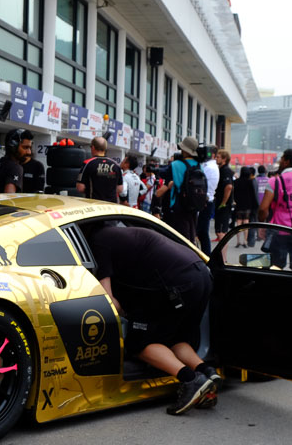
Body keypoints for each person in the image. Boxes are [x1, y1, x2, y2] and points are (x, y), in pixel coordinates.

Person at [87, 224, 219, 414]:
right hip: (201, 276)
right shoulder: (122, 232)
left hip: (175, 285)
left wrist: (125, 315)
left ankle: (190, 380)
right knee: (175, 339)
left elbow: (109, 300)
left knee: (138, 344)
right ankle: (207, 373)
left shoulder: (99, 241)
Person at [155, 137, 202, 243]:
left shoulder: (176, 165)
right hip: (194, 206)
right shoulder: (199, 165)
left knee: (180, 239)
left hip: (178, 206)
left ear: (184, 150)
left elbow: (162, 173)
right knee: (191, 236)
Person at [76, 136, 123, 203]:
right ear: (105, 148)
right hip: (111, 205)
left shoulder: (88, 163)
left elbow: (80, 188)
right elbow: (120, 189)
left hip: (94, 204)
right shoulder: (116, 165)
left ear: (93, 147)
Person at [0, 128, 33, 194]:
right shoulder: (15, 168)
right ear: (13, 147)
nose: (29, 152)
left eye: (30, 148)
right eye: (25, 147)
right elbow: (9, 198)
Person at [196, 145, 219, 256]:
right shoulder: (209, 166)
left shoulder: (209, 167)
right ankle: (206, 255)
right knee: (202, 232)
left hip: (205, 201)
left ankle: (206, 255)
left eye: (207, 152)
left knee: (202, 232)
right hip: (207, 201)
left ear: (213, 155)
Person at [213, 149, 234, 244]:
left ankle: (223, 257)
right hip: (219, 203)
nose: (216, 158)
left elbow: (229, 187)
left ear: (224, 159)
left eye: (218, 157)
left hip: (224, 206)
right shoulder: (220, 169)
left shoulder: (225, 170)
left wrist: (223, 202)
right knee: (219, 230)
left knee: (222, 232)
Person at [233, 166, 258, 247]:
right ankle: (245, 241)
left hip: (239, 204)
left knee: (239, 222)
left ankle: (238, 241)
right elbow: (253, 194)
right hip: (248, 205)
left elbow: (234, 193)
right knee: (246, 222)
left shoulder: (236, 182)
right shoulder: (250, 182)